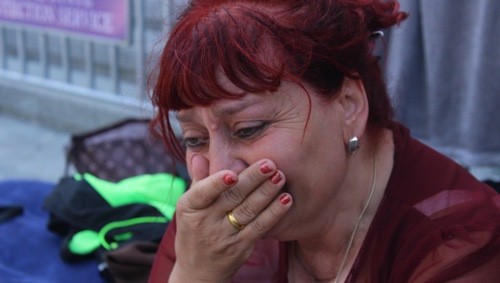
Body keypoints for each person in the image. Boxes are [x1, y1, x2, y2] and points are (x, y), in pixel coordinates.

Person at [148, 0, 500, 282]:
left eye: (248, 129)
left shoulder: (462, 245)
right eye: (195, 139)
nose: (220, 169)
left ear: (349, 106)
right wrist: (196, 273)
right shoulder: (213, 226)